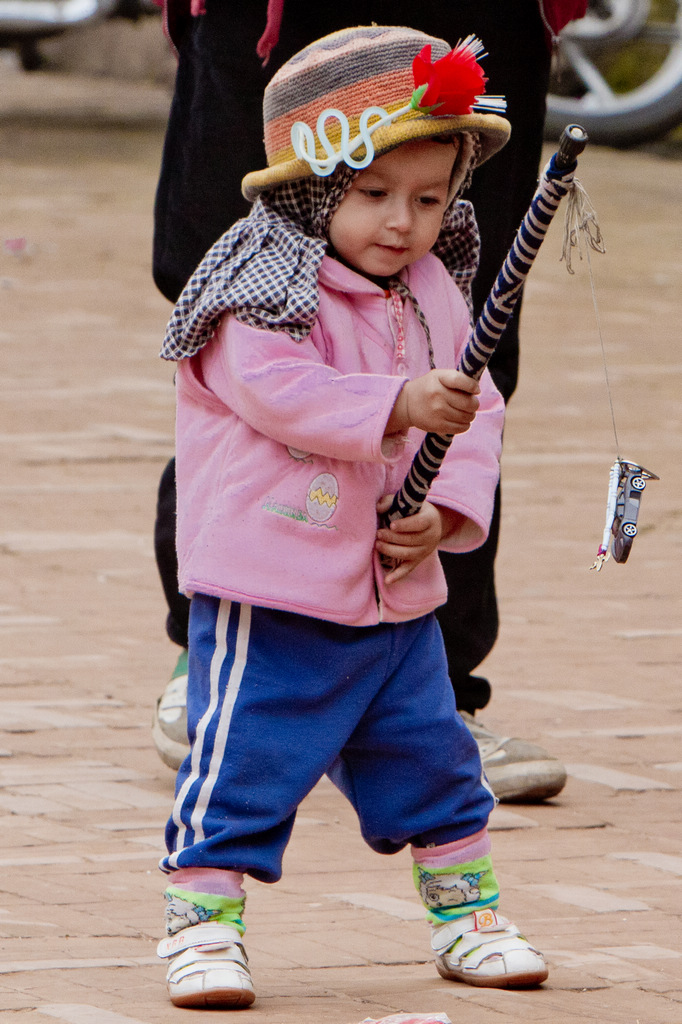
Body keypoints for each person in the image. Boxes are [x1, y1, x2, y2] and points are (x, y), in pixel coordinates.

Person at [155, 25, 551, 1009]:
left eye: (427, 199)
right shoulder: (259, 288)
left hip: (394, 597)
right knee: (239, 768)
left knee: (437, 762)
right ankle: (203, 925)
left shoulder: (432, 291)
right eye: (372, 194)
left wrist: (448, 512)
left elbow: (476, 411)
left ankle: (467, 916)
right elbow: (276, 392)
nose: (401, 223)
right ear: (311, 185)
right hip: (272, 583)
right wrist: (396, 406)